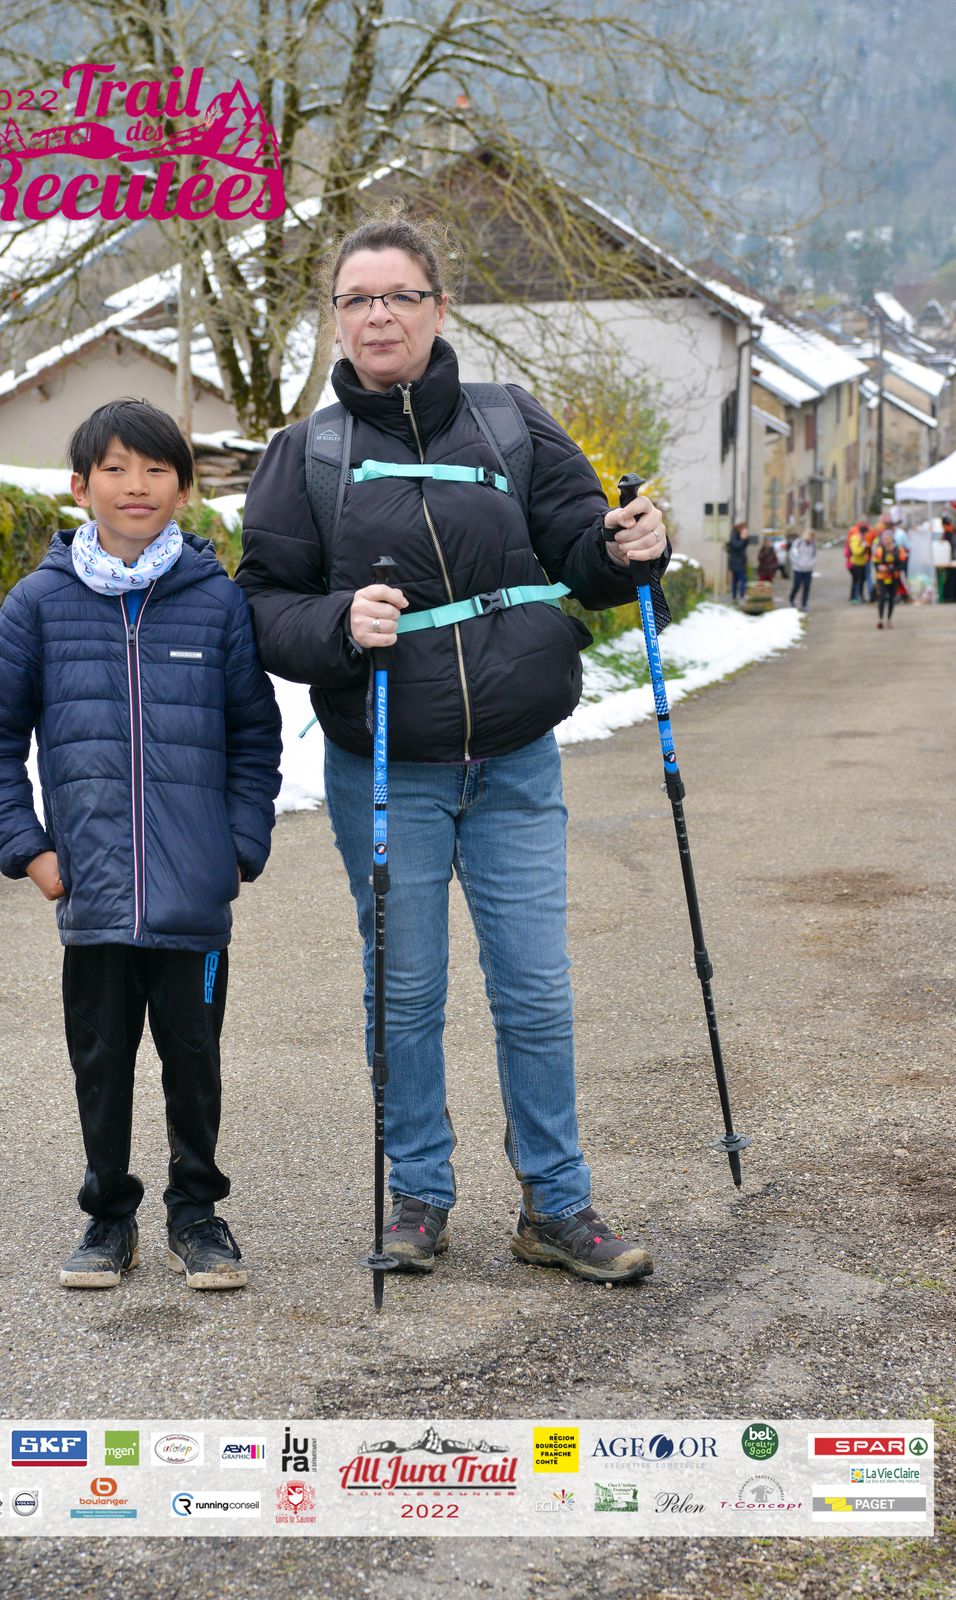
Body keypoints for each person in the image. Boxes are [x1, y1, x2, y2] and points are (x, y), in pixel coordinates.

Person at [236, 215, 668, 1286]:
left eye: (400, 295)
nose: (378, 315)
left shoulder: (510, 421)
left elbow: (583, 553)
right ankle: (419, 1196)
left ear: (438, 306)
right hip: (386, 765)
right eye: (357, 299)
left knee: (535, 991)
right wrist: (340, 623)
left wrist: (630, 549)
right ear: (336, 318)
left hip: (515, 760)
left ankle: (556, 1205)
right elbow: (264, 606)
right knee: (406, 991)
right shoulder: (306, 455)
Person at [0, 399, 283, 1292]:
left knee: (195, 1062)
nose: (134, 485)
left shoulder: (216, 604)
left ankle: (197, 1214)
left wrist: (238, 846)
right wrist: (29, 850)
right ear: (80, 486)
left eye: (154, 469)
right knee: (100, 1064)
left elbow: (255, 738)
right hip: (92, 893)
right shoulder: (39, 604)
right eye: (113, 468)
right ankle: (108, 1217)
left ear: (183, 489)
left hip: (193, 897)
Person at [872, 526, 900, 629]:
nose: (887, 541)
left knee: (892, 598)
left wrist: (891, 568)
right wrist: (880, 567)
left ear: (892, 539)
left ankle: (889, 620)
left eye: (889, 539)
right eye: (885, 539)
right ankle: (880, 619)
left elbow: (902, 564)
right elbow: (875, 563)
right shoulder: (880, 550)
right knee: (882, 597)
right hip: (882, 577)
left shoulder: (897, 550)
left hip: (893, 577)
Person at [789, 529, 816, 611]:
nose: (810, 538)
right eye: (809, 536)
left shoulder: (813, 544)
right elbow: (793, 555)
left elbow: (814, 556)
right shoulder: (798, 543)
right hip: (798, 569)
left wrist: (810, 564)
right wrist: (798, 563)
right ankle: (791, 599)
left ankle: (804, 604)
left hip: (808, 569)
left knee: (806, 587)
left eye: (812, 537)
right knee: (796, 585)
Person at [726, 521, 750, 602]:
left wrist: (746, 538)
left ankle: (735, 596)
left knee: (735, 580)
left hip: (740, 561)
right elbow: (737, 546)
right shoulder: (734, 535)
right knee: (743, 579)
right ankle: (741, 596)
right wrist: (743, 539)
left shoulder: (738, 535)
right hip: (736, 562)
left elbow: (744, 545)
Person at [848, 522, 871, 602]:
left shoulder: (862, 539)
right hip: (855, 563)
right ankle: (854, 597)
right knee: (856, 581)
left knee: (861, 581)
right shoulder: (855, 539)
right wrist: (863, 547)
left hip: (862, 563)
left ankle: (860, 596)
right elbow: (855, 552)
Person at [941, 513, 956, 603]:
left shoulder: (951, 532)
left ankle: (950, 597)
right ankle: (949, 596)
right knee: (951, 577)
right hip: (949, 560)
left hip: (952, 560)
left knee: (952, 578)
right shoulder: (948, 533)